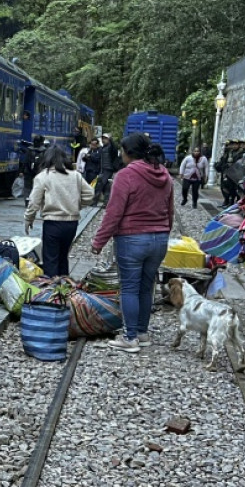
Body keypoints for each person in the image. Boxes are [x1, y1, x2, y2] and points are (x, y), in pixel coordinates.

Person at [91, 133, 173, 353]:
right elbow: (170, 210)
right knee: (146, 287)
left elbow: (114, 213)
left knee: (129, 287)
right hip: (160, 239)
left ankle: (130, 337)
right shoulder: (164, 174)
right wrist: (165, 232)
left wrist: (99, 241)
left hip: (132, 239)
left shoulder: (125, 176)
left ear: (128, 153)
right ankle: (142, 333)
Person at [24, 147, 94, 277]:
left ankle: (52, 291)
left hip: (52, 223)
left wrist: (29, 219)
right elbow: (90, 194)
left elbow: (34, 202)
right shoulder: (75, 175)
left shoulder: (43, 176)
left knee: (51, 259)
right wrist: (77, 206)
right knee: (63, 257)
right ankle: (65, 287)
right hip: (71, 223)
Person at [91, 132, 119, 207]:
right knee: (106, 187)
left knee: (99, 184)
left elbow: (114, 148)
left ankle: (95, 202)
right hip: (104, 169)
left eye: (105, 138)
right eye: (103, 138)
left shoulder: (111, 147)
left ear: (109, 139)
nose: (103, 140)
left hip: (108, 169)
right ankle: (106, 203)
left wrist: (111, 139)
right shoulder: (104, 147)